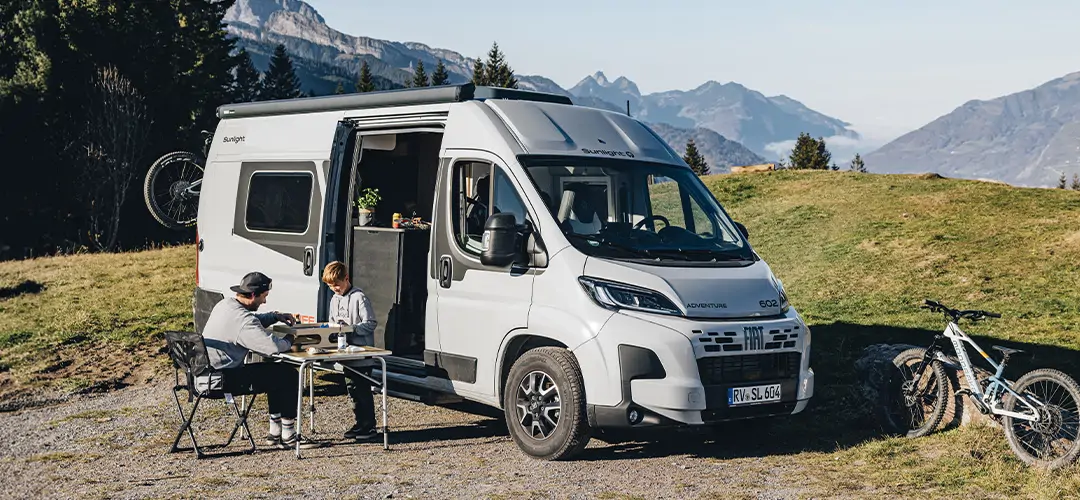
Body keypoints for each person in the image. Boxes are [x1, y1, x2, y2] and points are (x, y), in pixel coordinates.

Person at [200, 271, 320, 450]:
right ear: (254, 295)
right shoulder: (243, 321)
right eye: (264, 297)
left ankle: (275, 433)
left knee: (273, 373)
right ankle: (289, 435)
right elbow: (272, 347)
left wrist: (274, 317)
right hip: (221, 380)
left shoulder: (225, 304)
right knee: (288, 375)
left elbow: (253, 320)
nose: (265, 301)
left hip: (204, 375)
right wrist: (292, 339)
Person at [322, 261, 379, 441]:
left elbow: (370, 323)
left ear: (346, 278)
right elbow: (332, 322)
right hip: (345, 353)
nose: (334, 289)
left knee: (362, 389)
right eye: (331, 287)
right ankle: (359, 422)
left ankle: (369, 425)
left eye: (337, 285)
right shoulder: (334, 299)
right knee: (352, 389)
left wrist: (351, 329)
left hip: (361, 353)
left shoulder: (359, 298)